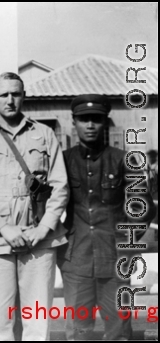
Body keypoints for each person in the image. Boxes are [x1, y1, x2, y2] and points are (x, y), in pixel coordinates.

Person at [0, 72, 69, 340]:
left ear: (23, 96)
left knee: (37, 321)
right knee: (1, 323)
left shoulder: (44, 135)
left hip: (39, 240)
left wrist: (44, 228)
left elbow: (60, 186)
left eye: (16, 93)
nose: (10, 100)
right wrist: (5, 228)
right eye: (3, 95)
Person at [57, 94, 157, 340]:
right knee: (79, 332)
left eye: (96, 120)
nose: (90, 125)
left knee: (118, 331)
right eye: (83, 120)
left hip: (115, 260)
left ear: (105, 123)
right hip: (76, 260)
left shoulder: (124, 160)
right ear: (74, 122)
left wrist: (124, 242)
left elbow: (143, 208)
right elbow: (47, 206)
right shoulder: (63, 161)